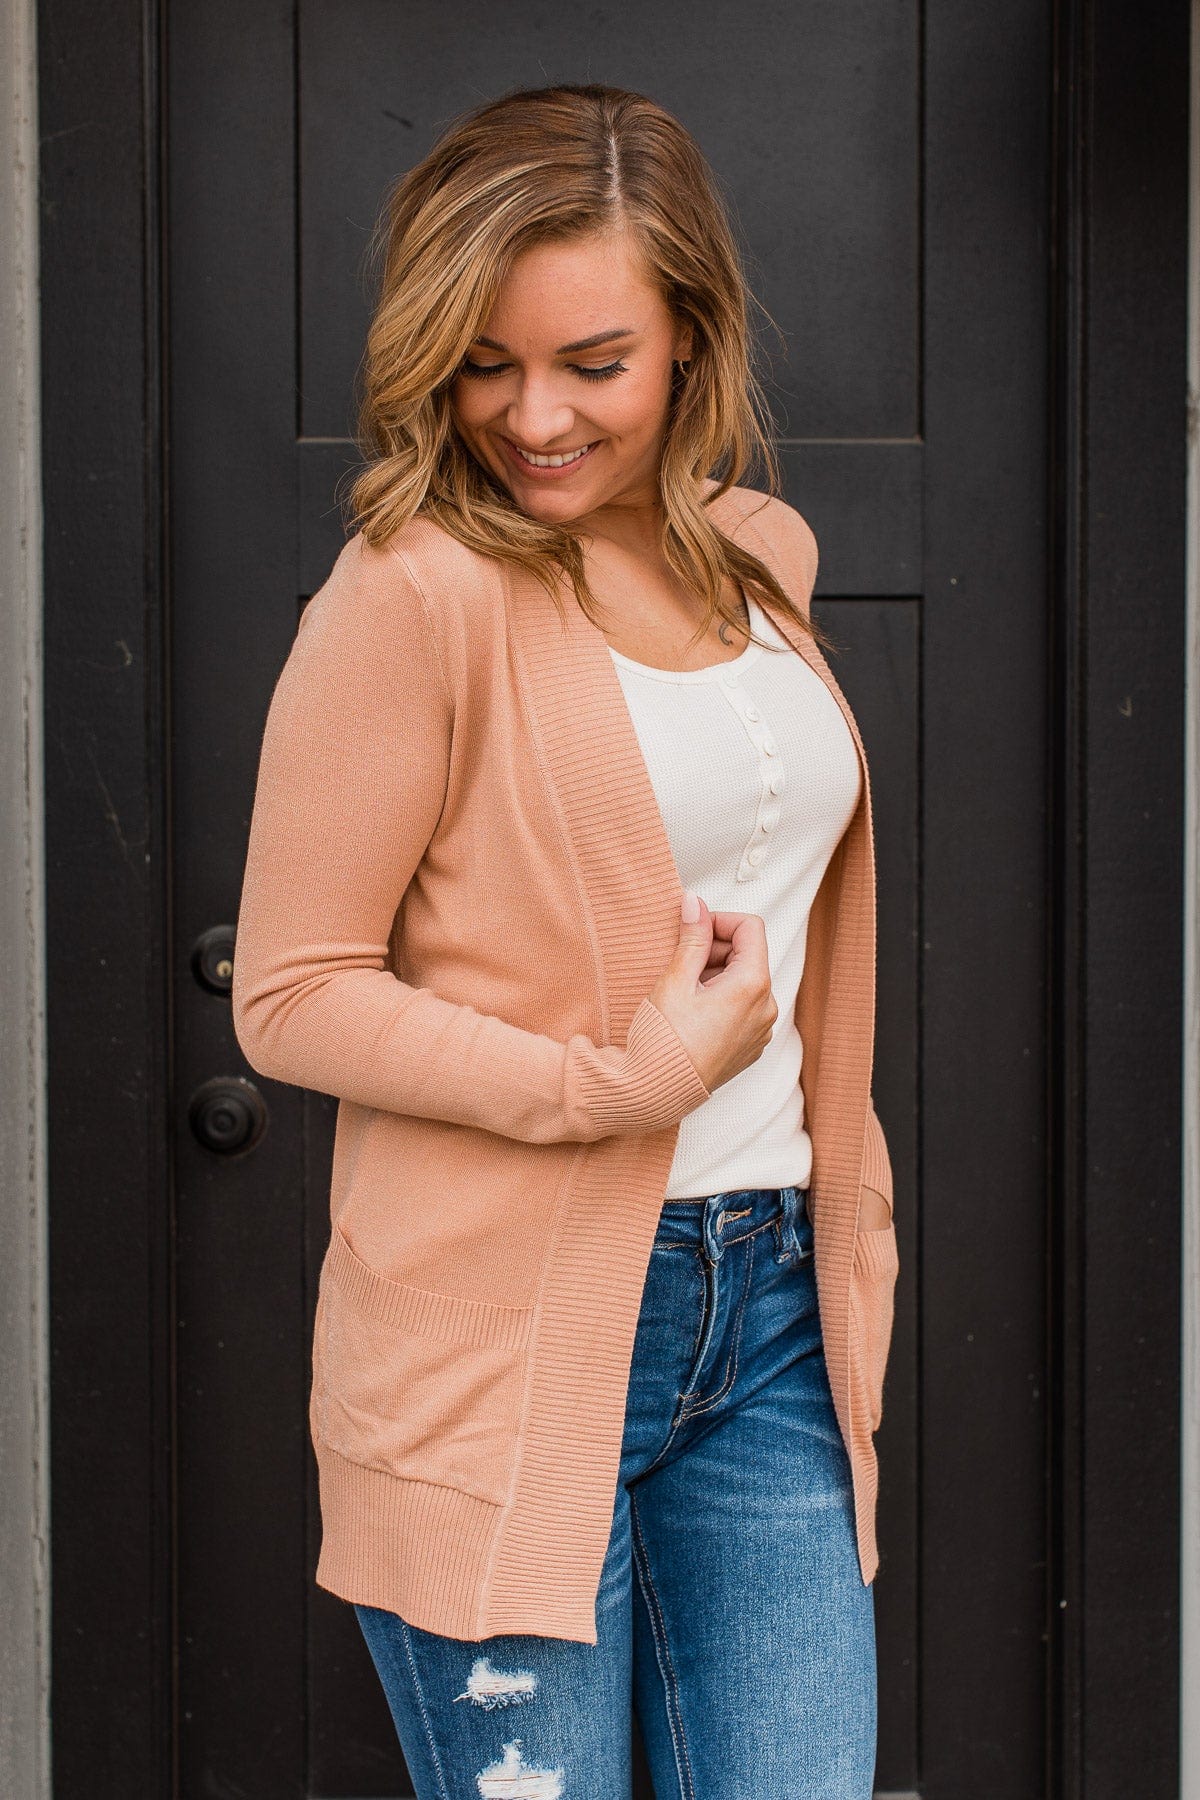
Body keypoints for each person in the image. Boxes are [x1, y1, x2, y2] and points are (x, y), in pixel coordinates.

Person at [231, 80, 899, 1800]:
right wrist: (618, 1080)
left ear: (690, 338)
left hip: (767, 1310)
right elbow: (292, 995)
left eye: (593, 363)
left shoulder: (760, 558)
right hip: (503, 1344)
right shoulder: (412, 595)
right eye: (484, 366)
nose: (532, 418)